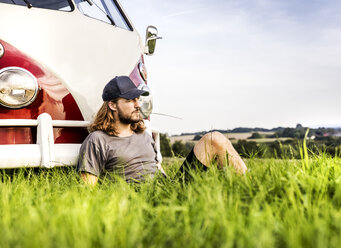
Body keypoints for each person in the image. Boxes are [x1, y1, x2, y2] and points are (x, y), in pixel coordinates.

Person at [76, 76, 247, 186]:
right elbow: (88, 193)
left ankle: (250, 189)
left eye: (137, 99)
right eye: (129, 100)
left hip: (168, 189)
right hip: (140, 200)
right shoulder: (97, 140)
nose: (137, 104)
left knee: (214, 139)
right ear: (112, 105)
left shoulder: (142, 134)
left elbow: (157, 168)